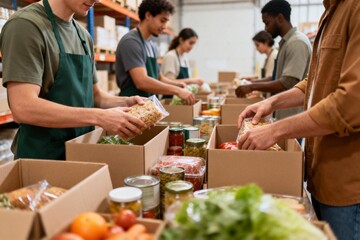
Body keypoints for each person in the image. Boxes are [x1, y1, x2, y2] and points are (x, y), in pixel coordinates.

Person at [237, 0, 360, 239]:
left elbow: (350, 103)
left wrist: (275, 131)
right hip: (320, 173)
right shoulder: (331, 12)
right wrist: (271, 102)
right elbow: (313, 82)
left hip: (346, 182)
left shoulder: (354, 8)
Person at [0, 0, 147, 160]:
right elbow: (23, 108)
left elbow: (95, 95)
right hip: (43, 158)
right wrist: (100, 117)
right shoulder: (26, 26)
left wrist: (125, 103)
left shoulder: (83, 36)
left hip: (82, 152)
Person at [236, 0, 312, 120]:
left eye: (267, 23)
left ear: (280, 18)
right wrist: (251, 84)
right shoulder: (286, 43)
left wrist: (252, 87)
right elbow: (277, 77)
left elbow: (288, 82)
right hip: (283, 114)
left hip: (293, 116)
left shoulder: (297, 42)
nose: (266, 29)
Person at [115, 0, 195, 105]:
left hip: (148, 105)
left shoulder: (151, 44)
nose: (165, 26)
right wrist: (177, 91)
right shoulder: (131, 42)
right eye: (162, 21)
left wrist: (179, 85)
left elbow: (159, 77)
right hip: (132, 106)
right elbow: (141, 82)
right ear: (148, 15)